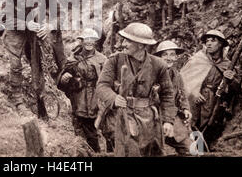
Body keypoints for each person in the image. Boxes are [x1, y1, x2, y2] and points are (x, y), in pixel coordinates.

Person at [96, 22, 176, 156]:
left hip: (150, 120)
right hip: (124, 116)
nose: (123, 44)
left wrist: (168, 121)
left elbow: (167, 94)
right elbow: (102, 85)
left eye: (128, 41)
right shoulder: (115, 61)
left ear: (140, 45)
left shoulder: (158, 64)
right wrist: (114, 98)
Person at [0, 0, 66, 116]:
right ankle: (17, 99)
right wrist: (25, 24)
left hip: (36, 29)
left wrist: (49, 26)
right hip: (17, 28)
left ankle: (41, 98)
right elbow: (4, 16)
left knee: (38, 64)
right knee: (15, 64)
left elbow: (60, 14)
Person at [180, 30, 240, 146]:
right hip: (196, 100)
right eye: (207, 41)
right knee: (191, 126)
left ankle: (203, 149)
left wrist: (231, 80)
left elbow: (237, 90)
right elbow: (182, 81)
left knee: (208, 129)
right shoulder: (198, 59)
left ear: (221, 44)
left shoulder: (228, 65)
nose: (209, 43)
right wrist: (194, 93)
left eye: (213, 41)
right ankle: (191, 150)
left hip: (214, 102)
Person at [57, 28, 107, 153]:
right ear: (82, 41)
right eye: (86, 39)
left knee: (97, 127)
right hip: (79, 96)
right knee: (81, 126)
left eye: (92, 39)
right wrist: (64, 79)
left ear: (96, 42)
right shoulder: (73, 59)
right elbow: (63, 80)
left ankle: (98, 152)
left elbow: (108, 79)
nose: (89, 42)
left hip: (96, 96)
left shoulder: (102, 59)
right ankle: (86, 153)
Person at [154, 40, 193, 155]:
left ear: (176, 57)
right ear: (159, 57)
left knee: (191, 149)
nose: (168, 58)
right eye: (165, 54)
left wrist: (186, 109)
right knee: (163, 151)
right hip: (155, 119)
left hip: (173, 117)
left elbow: (182, 94)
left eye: (172, 54)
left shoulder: (176, 75)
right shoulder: (152, 73)